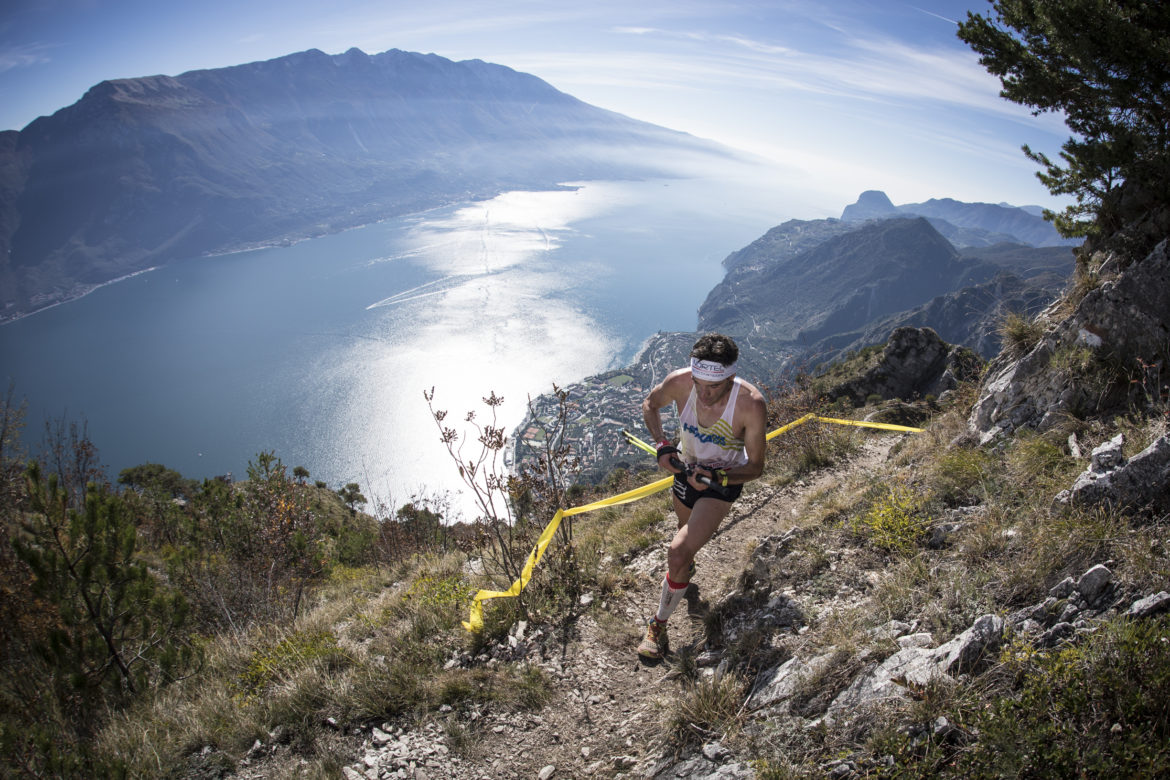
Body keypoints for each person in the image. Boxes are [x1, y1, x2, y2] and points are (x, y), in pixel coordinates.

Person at [637, 333, 767, 659]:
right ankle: (685, 571)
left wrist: (717, 476)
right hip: (686, 470)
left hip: (722, 483)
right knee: (684, 535)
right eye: (699, 384)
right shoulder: (680, 383)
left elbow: (755, 467)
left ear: (731, 378)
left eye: (714, 387)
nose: (704, 395)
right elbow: (650, 405)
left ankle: (658, 626)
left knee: (677, 552)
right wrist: (662, 445)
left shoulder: (750, 405)